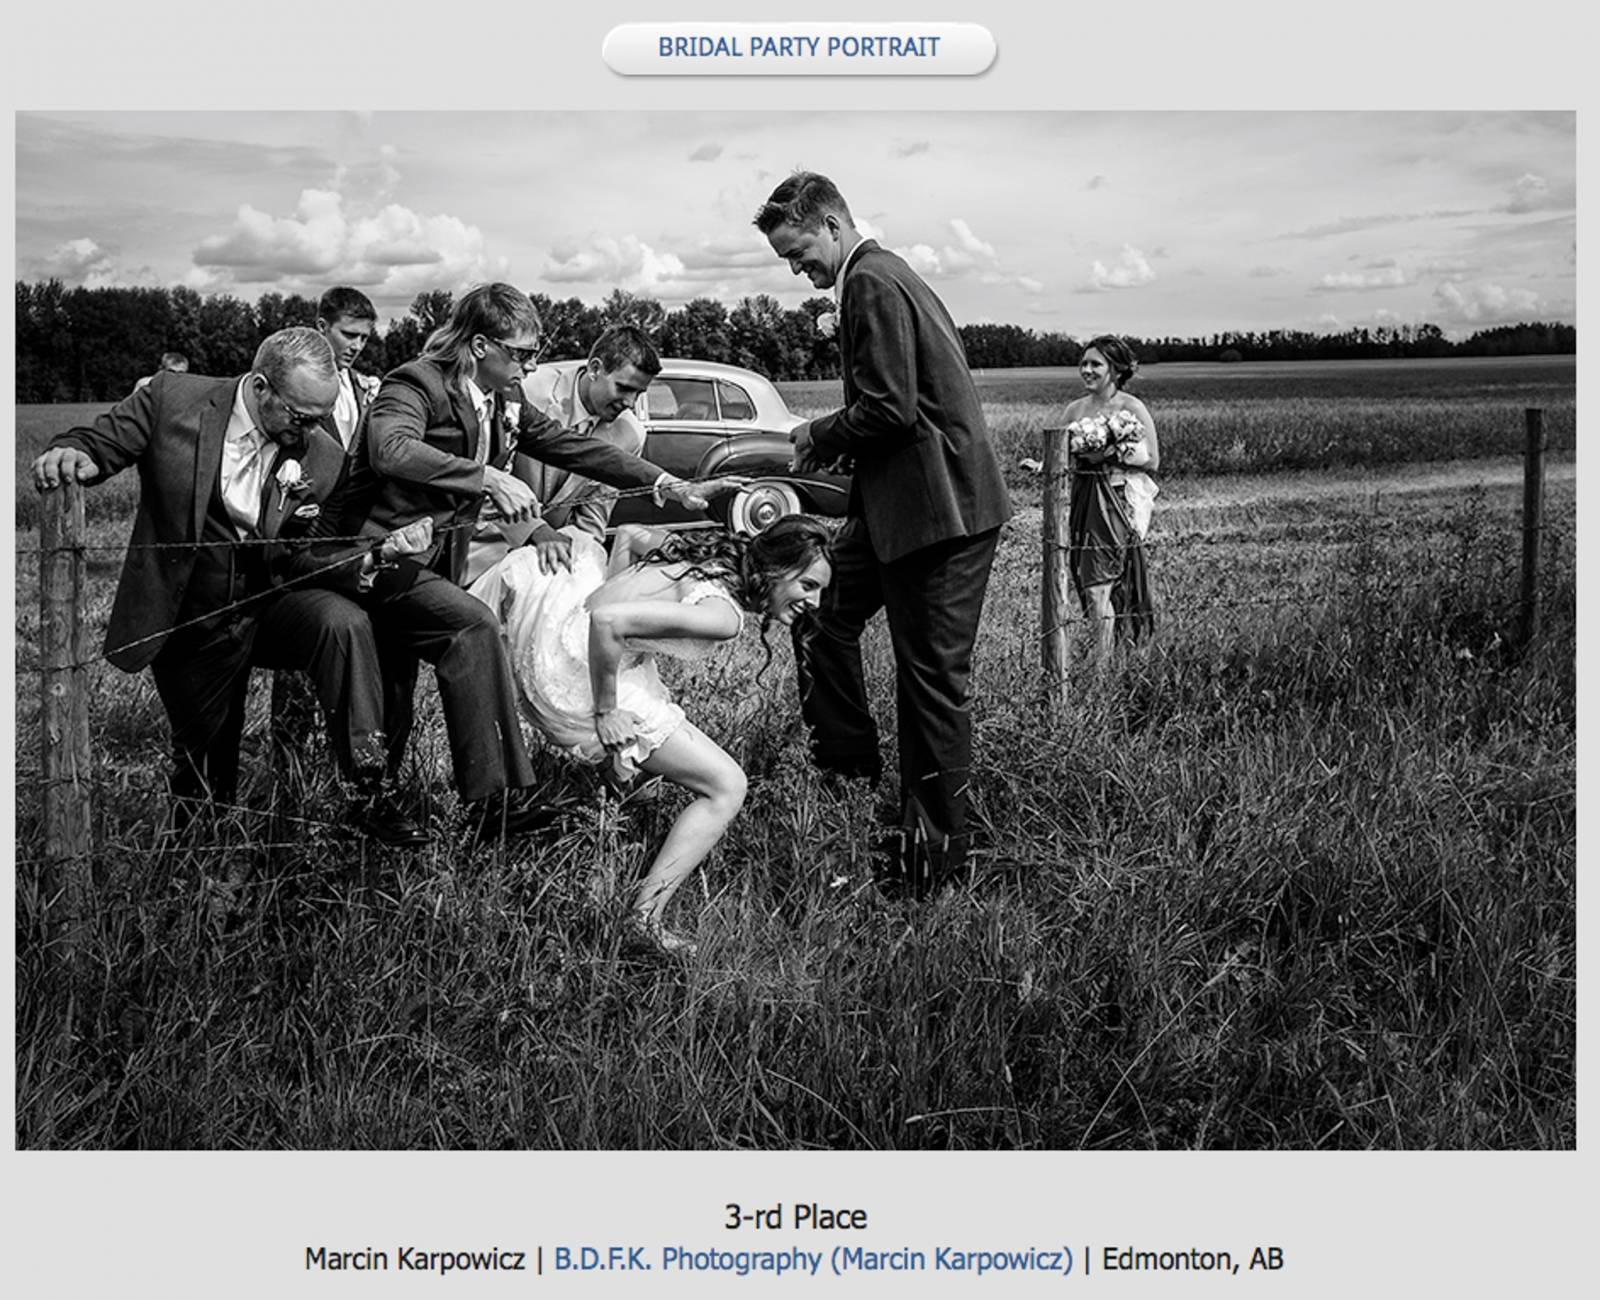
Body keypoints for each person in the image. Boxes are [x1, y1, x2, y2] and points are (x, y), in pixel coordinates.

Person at [309, 282, 737, 841]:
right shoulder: (414, 382)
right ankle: (492, 805)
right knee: (471, 628)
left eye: (535, 354)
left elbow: (572, 447)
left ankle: (376, 806)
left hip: (431, 563)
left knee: (396, 685)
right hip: (373, 555)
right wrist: (487, 476)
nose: (530, 365)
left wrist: (669, 485)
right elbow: (391, 449)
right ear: (482, 345)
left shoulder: (506, 401)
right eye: (521, 353)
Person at [32, 327, 430, 842]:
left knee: (343, 624)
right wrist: (70, 450)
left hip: (267, 605)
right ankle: (196, 868)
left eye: (319, 417)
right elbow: (101, 440)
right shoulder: (172, 399)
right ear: (261, 386)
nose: (309, 429)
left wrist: (373, 556)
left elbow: (302, 554)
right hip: (191, 614)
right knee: (206, 764)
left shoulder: (321, 456)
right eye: (300, 415)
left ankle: (368, 790)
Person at [754, 171, 1012, 896]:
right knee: (823, 617)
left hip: (939, 518)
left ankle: (931, 864)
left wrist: (813, 433)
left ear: (832, 224)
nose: (799, 274)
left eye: (799, 253)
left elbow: (892, 411)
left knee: (930, 684)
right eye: (787, 262)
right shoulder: (874, 277)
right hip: (890, 508)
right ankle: (848, 772)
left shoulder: (871, 281)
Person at [467, 515, 834, 953]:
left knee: (640, 769)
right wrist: (607, 711)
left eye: (820, 591)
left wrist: (624, 610)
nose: (814, 601)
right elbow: (607, 622)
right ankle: (643, 919)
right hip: (576, 674)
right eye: (808, 585)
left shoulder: (714, 559)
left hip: (561, 631)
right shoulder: (724, 616)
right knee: (727, 785)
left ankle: (602, 845)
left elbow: (630, 535)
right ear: (777, 570)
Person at [462, 322, 658, 586]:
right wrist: (534, 535)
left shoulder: (630, 434)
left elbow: (592, 520)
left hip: (552, 562)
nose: (630, 403)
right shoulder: (527, 390)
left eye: (639, 393)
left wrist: (571, 569)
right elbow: (484, 475)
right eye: (623, 388)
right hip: (483, 548)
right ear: (595, 369)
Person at [1062, 335, 1159, 661]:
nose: (1086, 370)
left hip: (1116, 500)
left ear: (1115, 370)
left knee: (1099, 583)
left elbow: (1152, 460)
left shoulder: (1132, 408)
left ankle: (1101, 669)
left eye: (1095, 364)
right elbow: (1058, 456)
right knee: (1087, 577)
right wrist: (1042, 465)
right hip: (1083, 497)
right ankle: (1115, 653)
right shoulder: (1075, 409)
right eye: (1084, 363)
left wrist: (1108, 455)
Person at [314, 286, 381, 453]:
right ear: (323, 327)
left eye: (364, 338)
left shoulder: (365, 387)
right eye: (349, 335)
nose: (357, 347)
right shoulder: (292, 383)